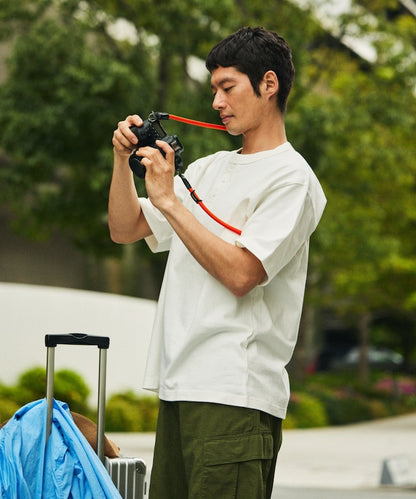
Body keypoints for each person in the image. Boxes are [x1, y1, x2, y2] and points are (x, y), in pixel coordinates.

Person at [109, 26, 326, 499]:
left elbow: (242, 274)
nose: (216, 102)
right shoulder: (209, 169)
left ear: (269, 85)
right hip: (178, 387)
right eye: (214, 90)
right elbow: (124, 229)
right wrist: (120, 161)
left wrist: (169, 202)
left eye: (227, 87)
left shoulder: (293, 180)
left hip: (235, 394)